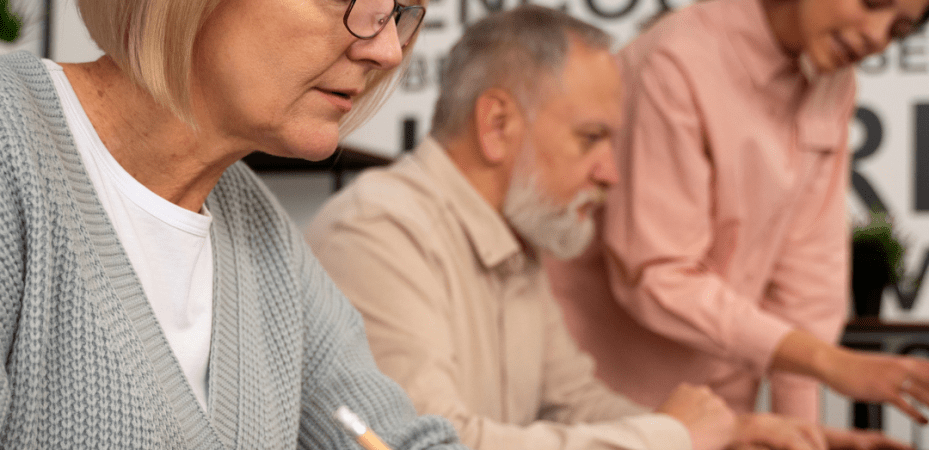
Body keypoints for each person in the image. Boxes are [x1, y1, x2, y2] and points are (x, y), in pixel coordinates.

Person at [307, 5, 901, 450]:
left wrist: (736, 433)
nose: (613, 173)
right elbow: (431, 442)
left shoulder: (517, 245)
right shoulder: (378, 232)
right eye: (592, 138)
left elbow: (576, 402)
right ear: (497, 125)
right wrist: (671, 436)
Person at [0, 0, 469, 448]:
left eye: (396, 13)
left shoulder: (261, 232)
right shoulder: (11, 145)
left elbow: (397, 437)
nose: (387, 51)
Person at [544, 0, 929, 435]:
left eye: (898, 29)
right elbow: (656, 276)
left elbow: (808, 284)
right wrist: (831, 363)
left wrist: (801, 436)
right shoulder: (677, 60)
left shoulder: (834, 84)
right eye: (872, 2)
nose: (877, 36)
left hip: (724, 412)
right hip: (609, 407)